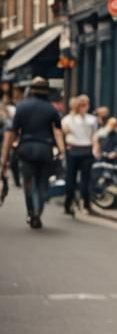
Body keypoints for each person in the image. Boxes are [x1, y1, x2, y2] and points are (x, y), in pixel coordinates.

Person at [0, 76, 66, 229]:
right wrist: (62, 151)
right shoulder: (52, 109)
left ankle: (32, 212)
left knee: (28, 183)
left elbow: (11, 133)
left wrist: (4, 157)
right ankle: (38, 210)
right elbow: (58, 131)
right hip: (45, 150)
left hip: (26, 149)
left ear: (31, 90)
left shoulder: (22, 107)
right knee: (43, 182)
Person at [61, 94, 100, 216]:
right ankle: (85, 205)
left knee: (72, 178)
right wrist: (96, 148)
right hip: (84, 150)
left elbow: (63, 134)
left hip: (74, 150)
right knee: (84, 179)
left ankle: (69, 204)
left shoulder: (68, 119)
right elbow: (94, 136)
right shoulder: (91, 120)